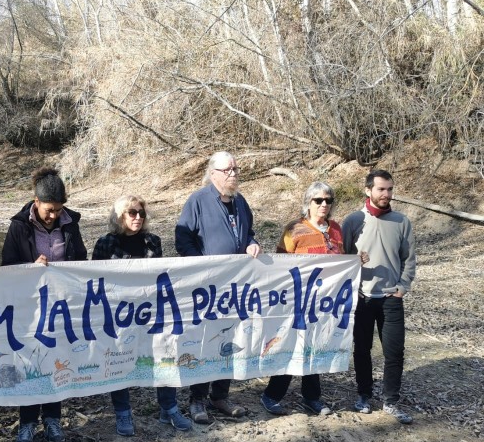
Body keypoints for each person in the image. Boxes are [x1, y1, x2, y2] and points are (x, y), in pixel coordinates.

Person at [92, 195, 193, 435]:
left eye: (141, 213)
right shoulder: (104, 244)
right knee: (118, 359)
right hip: (118, 315)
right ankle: (123, 413)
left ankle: (168, 408)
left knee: (164, 354)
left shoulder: (152, 241)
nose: (138, 217)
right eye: (132, 213)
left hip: (151, 312)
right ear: (120, 217)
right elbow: (94, 280)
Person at [2, 167, 87, 442]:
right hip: (29, 309)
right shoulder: (19, 226)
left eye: (58, 210)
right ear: (35, 202)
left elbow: (81, 259)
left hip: (61, 306)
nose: (54, 216)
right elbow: (6, 266)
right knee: (30, 361)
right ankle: (27, 422)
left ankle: (52, 419)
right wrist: (30, 268)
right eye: (49, 210)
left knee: (55, 360)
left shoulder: (70, 223)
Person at [175, 151, 261, 423]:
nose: (233, 174)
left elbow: (249, 233)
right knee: (206, 342)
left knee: (231, 341)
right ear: (213, 173)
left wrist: (251, 243)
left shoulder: (241, 202)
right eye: (228, 170)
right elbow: (182, 237)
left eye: (236, 169)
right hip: (207, 290)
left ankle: (220, 395)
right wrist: (201, 266)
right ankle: (197, 398)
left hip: (236, 290)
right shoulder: (198, 201)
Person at [260, 182, 348, 416]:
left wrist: (358, 260)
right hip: (297, 300)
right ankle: (271, 395)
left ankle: (312, 397)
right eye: (318, 200)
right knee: (290, 345)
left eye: (328, 200)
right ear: (308, 203)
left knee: (315, 346)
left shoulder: (337, 230)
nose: (323, 205)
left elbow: (342, 263)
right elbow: (280, 263)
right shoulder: (294, 229)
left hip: (325, 303)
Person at [342, 169, 417, 424]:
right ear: (368, 190)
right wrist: (354, 261)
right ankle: (364, 395)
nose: (386, 194)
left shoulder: (401, 221)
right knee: (362, 349)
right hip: (362, 298)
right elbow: (340, 260)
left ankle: (391, 401)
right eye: (381, 189)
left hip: (391, 298)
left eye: (390, 189)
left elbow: (409, 258)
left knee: (394, 352)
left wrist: (403, 287)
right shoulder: (353, 221)